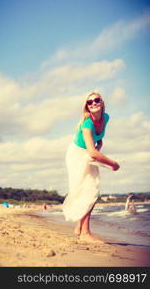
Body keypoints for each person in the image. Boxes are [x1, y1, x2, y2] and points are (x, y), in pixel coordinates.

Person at [62, 92, 120, 244]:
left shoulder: (106, 117)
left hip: (88, 152)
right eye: (89, 102)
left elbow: (98, 138)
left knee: (92, 188)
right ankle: (85, 233)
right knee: (87, 189)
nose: (93, 103)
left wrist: (99, 142)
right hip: (76, 154)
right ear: (86, 107)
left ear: (102, 102)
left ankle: (79, 227)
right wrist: (113, 164)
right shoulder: (86, 124)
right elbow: (93, 153)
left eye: (96, 100)